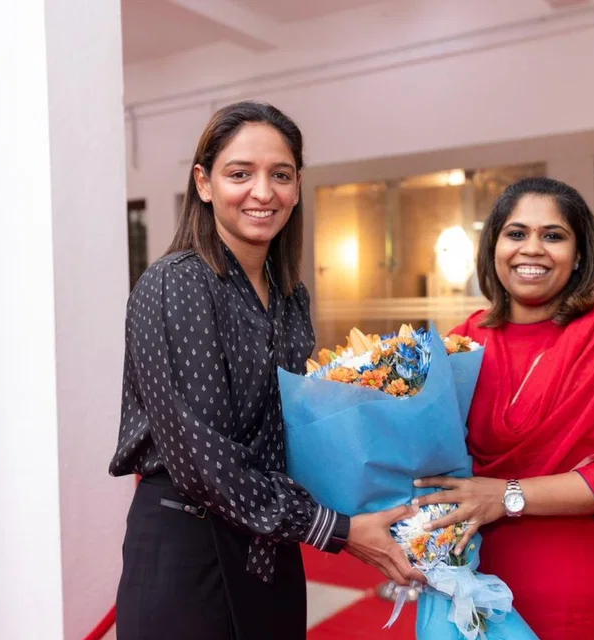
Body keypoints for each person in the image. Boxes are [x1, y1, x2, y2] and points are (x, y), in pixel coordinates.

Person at [108, 101, 419, 640]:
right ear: (204, 184)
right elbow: (204, 462)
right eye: (239, 174)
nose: (262, 191)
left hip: (269, 544)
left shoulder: (289, 296)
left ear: (298, 187)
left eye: (280, 175)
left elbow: (290, 432)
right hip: (189, 547)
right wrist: (337, 530)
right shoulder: (176, 284)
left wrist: (387, 484)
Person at [414, 177, 594, 640]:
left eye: (553, 236)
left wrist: (506, 496)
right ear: (493, 247)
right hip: (479, 585)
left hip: (586, 591)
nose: (531, 249)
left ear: (578, 257)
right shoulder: (462, 342)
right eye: (516, 233)